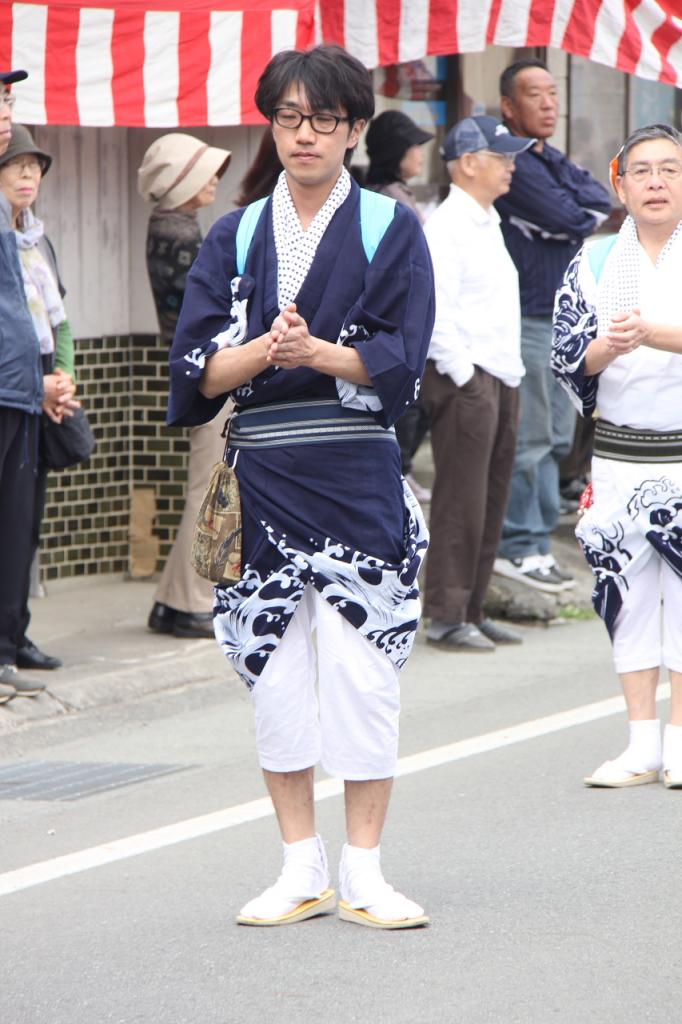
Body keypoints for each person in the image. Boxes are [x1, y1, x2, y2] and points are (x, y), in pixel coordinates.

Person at [168, 44, 435, 928]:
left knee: (363, 677)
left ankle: (366, 867)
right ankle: (299, 865)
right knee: (276, 675)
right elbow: (197, 366)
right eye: (288, 117)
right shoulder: (236, 231)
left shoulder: (390, 228)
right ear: (271, 125)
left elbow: (403, 360)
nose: (304, 135)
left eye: (324, 119)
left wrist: (318, 352)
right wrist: (263, 352)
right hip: (265, 473)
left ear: (355, 129)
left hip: (357, 471)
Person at [553, 123, 682, 789]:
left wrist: (656, 334)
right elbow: (567, 355)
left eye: (670, 169)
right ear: (620, 183)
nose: (656, 182)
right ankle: (641, 741)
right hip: (620, 450)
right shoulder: (595, 259)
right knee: (624, 593)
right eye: (644, 171)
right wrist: (609, 346)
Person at [492, 59, 612, 593]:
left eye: (552, 92)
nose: (548, 103)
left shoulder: (548, 155)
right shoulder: (509, 161)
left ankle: (535, 539)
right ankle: (524, 543)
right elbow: (571, 217)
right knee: (534, 435)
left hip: (563, 315)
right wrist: (578, 217)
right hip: (527, 313)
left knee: (559, 433)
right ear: (509, 107)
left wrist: (579, 215)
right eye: (534, 95)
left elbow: (598, 198)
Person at [421, 116, 533, 651]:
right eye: (501, 156)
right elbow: (434, 311)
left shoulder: (486, 220)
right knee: (460, 497)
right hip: (469, 376)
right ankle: (445, 612)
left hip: (499, 372)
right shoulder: (447, 225)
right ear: (468, 163)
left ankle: (472, 605)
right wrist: (465, 377)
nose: (510, 166)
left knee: (490, 495)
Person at [138, 133, 232, 639]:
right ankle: (190, 601)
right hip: (209, 372)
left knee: (207, 482)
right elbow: (213, 306)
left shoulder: (175, 226)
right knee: (208, 486)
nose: (215, 178)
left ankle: (175, 601)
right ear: (181, 180)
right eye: (205, 170)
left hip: (199, 370)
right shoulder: (181, 234)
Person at [0, 124, 79, 673]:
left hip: (41, 385)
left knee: (26, 524)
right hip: (15, 385)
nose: (28, 175)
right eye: (16, 164)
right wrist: (38, 381)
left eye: (35, 166)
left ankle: (15, 633)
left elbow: (60, 322)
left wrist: (64, 378)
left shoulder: (37, 239)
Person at [0, 70, 49, 704]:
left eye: (8, 99)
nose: (6, 110)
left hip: (20, 383)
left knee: (19, 524)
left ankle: (10, 643)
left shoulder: (30, 229)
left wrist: (50, 375)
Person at [365, 109, 433, 503]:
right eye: (413, 146)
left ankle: (403, 469)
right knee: (406, 401)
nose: (421, 155)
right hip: (395, 316)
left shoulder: (391, 193)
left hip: (402, 313)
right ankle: (400, 470)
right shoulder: (387, 198)